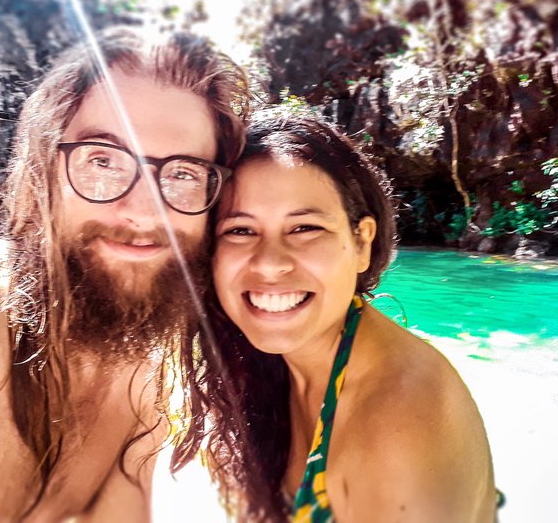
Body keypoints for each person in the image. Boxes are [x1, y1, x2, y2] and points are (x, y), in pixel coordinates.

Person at [0, 26, 248, 521]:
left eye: (182, 173)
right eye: (103, 161)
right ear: (42, 169)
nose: (142, 212)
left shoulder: (147, 373)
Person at [202, 113, 496, 522]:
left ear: (361, 242)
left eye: (305, 228)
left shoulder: (398, 426)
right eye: (240, 230)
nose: (269, 264)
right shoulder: (263, 363)